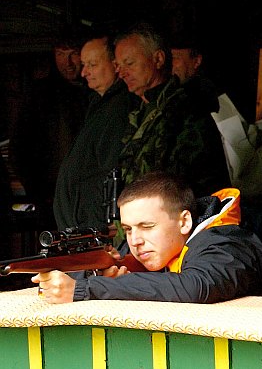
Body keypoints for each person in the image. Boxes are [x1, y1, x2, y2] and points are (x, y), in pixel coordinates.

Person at [33, 172, 262, 304]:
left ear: (184, 222)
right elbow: (97, 272)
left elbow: (195, 286)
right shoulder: (148, 246)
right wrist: (98, 274)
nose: (135, 240)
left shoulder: (226, 242)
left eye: (147, 226)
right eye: (128, 229)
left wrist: (86, 289)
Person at [115, 23, 229, 195]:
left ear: (158, 59)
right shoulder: (140, 112)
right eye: (119, 66)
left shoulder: (186, 109)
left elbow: (193, 183)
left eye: (129, 63)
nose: (122, 73)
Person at [52, 34, 138, 230]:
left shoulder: (119, 108)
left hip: (95, 228)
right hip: (83, 226)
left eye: (92, 65)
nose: (84, 73)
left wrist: (100, 223)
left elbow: (111, 170)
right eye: (84, 65)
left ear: (115, 65)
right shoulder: (99, 105)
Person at [10, 29, 90, 220]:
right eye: (60, 54)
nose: (67, 62)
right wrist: (38, 192)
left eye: (73, 54)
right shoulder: (40, 95)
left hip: (87, 193)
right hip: (51, 194)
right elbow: (20, 148)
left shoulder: (95, 92)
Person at [170, 35, 221, 113]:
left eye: (175, 58)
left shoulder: (204, 94)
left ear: (197, 61)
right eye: (169, 58)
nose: (171, 64)